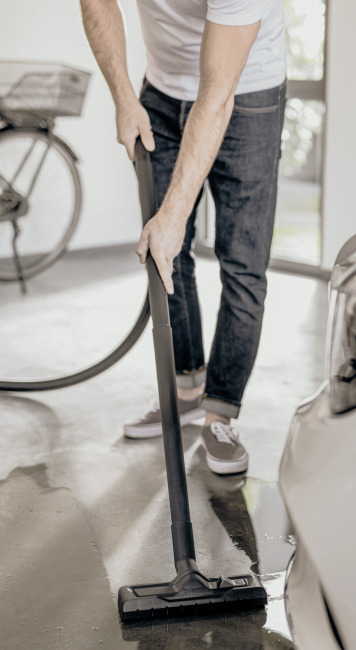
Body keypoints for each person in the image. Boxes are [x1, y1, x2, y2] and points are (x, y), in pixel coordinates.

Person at [80, 0, 286, 475]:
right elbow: (96, 3)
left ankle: (221, 414)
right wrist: (125, 97)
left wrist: (174, 213)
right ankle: (188, 391)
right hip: (161, 91)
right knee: (167, 255)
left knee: (244, 263)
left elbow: (217, 93)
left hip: (247, 93)